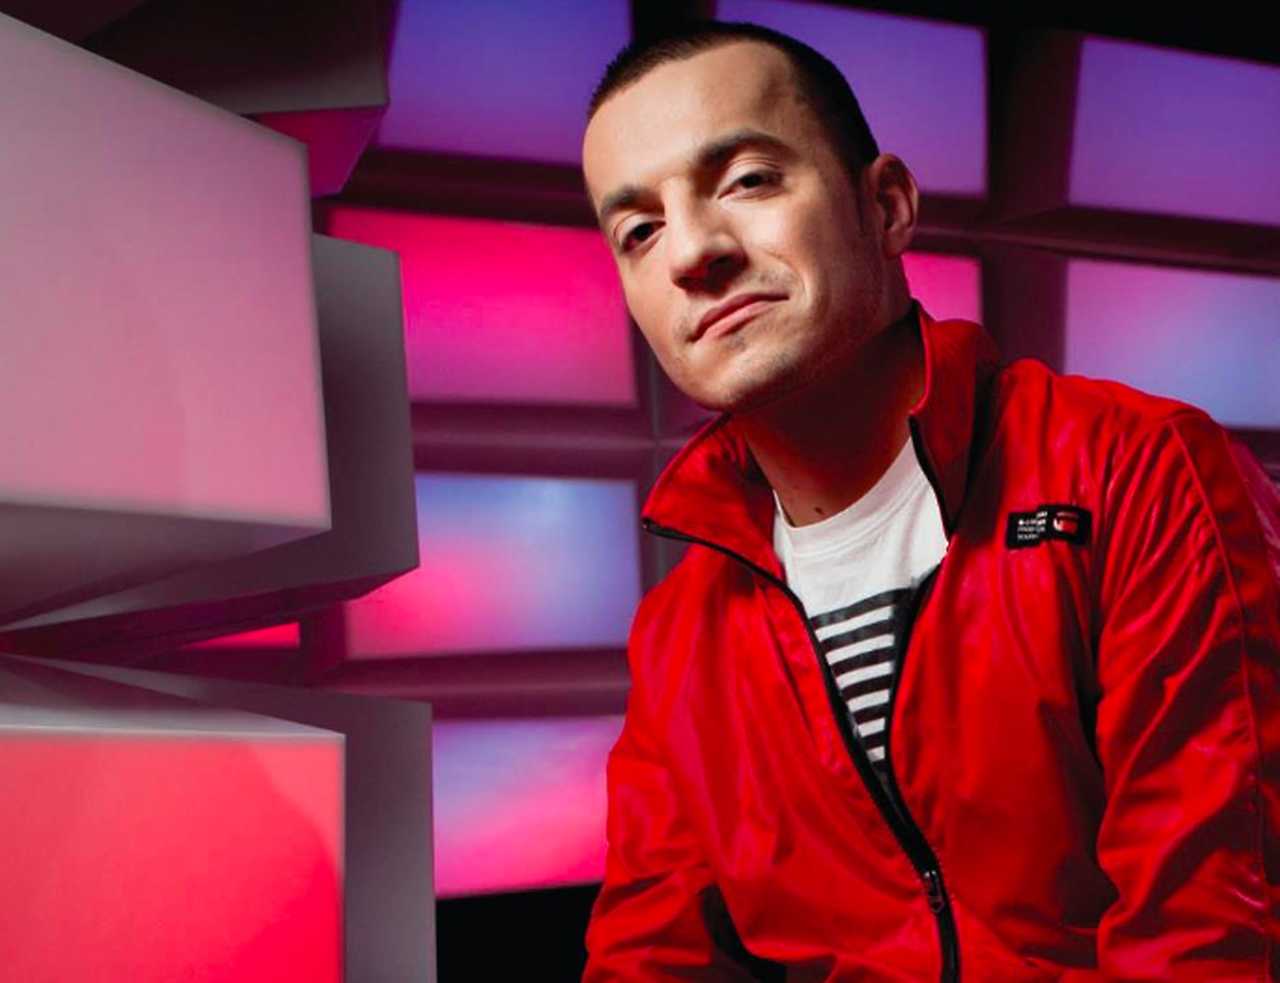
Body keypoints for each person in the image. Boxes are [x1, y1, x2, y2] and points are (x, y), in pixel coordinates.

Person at [579, 20, 1280, 982]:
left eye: (747, 179)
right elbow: (648, 957)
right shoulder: (680, 630)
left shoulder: (1138, 470)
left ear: (888, 206)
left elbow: (1206, 935)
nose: (692, 251)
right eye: (639, 230)